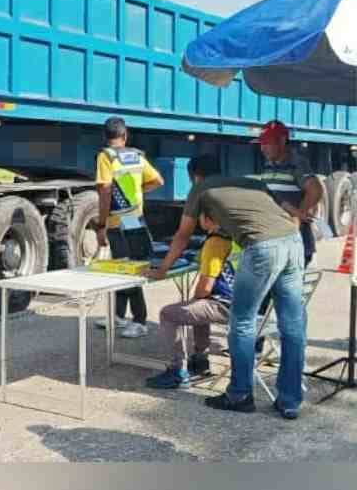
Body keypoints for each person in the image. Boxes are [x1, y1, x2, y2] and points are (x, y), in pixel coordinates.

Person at [146, 157, 306, 419]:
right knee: (293, 325)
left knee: (241, 322)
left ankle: (240, 394)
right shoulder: (249, 183)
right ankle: (289, 401)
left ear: (195, 177)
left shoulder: (201, 189)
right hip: (293, 241)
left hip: (262, 248)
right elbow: (283, 211)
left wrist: (162, 269)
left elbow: (183, 235)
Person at [145, 156, 237, 388]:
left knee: (171, 312)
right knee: (197, 304)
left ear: (208, 218)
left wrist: (164, 269)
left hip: (225, 306)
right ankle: (200, 359)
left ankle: (177, 370)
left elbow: (205, 288)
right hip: (241, 300)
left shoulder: (214, 243)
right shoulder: (234, 236)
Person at [93, 116, 165, 338]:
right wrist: (137, 191)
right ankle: (119, 317)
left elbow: (105, 192)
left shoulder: (105, 157)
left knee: (128, 271)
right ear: (125, 136)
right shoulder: (135, 155)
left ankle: (140, 321)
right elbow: (158, 181)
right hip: (134, 218)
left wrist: (101, 224)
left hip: (116, 221)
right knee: (125, 269)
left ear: (106, 137)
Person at [253, 120, 322, 267]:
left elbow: (315, 190)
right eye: (261, 143)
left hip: (294, 245)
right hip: (275, 242)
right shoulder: (268, 164)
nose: (262, 148)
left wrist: (298, 215)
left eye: (267, 143)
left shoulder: (296, 163)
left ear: (282, 141)